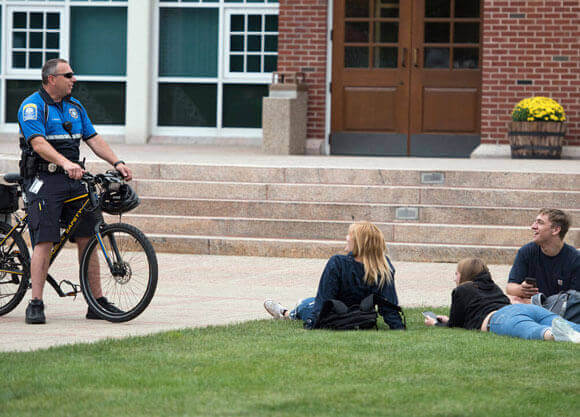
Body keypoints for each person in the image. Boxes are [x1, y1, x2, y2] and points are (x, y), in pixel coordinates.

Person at [17, 58, 133, 324]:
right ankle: (35, 302)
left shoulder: (75, 106)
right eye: (68, 75)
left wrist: (116, 162)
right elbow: (37, 143)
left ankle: (96, 302)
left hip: (74, 180)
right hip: (43, 179)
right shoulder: (32, 106)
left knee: (89, 238)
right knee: (44, 240)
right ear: (51, 79)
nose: (74, 79)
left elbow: (92, 138)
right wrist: (65, 163)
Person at [263, 221, 405, 330]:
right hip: (363, 320)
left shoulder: (338, 263)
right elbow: (389, 306)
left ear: (359, 243)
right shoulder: (383, 266)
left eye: (350, 235)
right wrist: (398, 327)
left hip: (336, 317)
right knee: (310, 302)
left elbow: (323, 301)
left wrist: (311, 324)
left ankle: (286, 313)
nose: (347, 237)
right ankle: (291, 310)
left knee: (306, 304)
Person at [424, 258, 580, 342]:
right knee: (571, 327)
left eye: (456, 274)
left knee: (534, 331)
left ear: (464, 274)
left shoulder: (461, 290)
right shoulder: (493, 287)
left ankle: (556, 335)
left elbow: (455, 325)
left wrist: (436, 323)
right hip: (526, 309)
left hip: (500, 318)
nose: (454, 278)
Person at [506, 209, 579, 300]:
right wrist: (522, 290)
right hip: (534, 306)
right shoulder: (526, 251)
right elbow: (510, 287)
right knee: (512, 300)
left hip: (562, 310)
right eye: (535, 222)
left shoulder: (575, 259)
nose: (533, 227)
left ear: (556, 230)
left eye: (540, 223)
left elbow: (575, 299)